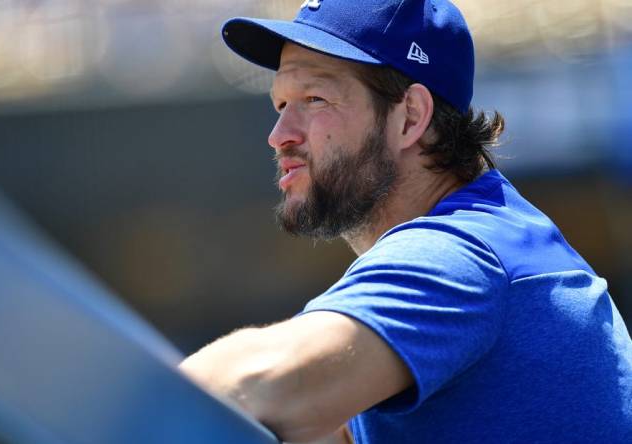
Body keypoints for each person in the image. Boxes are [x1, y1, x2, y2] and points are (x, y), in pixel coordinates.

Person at [179, 1, 632, 443]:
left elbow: (259, 382)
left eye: (314, 99)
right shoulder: (498, 237)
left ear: (410, 117)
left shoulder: (460, 257)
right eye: (281, 104)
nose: (280, 136)